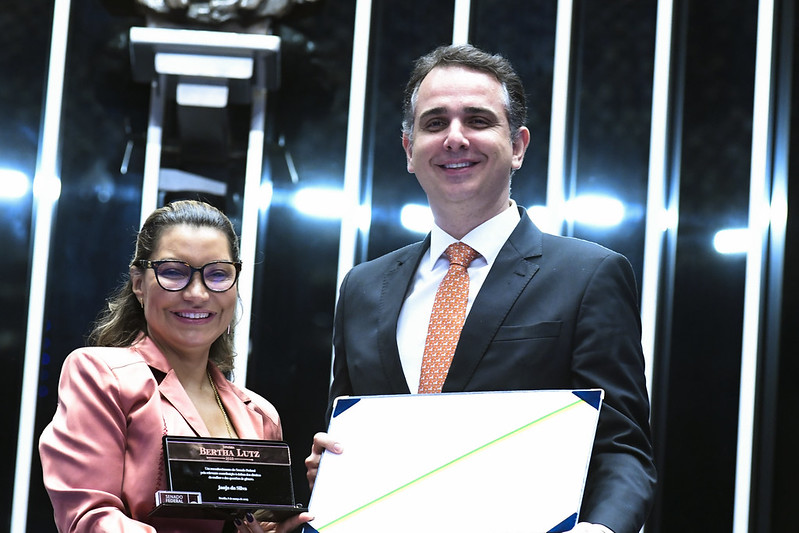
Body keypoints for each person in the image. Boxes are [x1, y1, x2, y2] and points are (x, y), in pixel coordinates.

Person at [305, 44, 656, 533]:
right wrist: (334, 471)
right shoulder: (363, 288)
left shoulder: (589, 275)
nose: (454, 138)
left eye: (477, 120)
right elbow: (346, 430)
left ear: (517, 146)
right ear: (409, 151)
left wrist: (601, 531)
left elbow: (622, 448)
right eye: (434, 123)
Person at [39, 200, 312, 533]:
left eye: (217, 274)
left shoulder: (260, 416)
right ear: (139, 284)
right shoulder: (101, 375)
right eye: (173, 272)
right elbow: (88, 519)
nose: (197, 293)